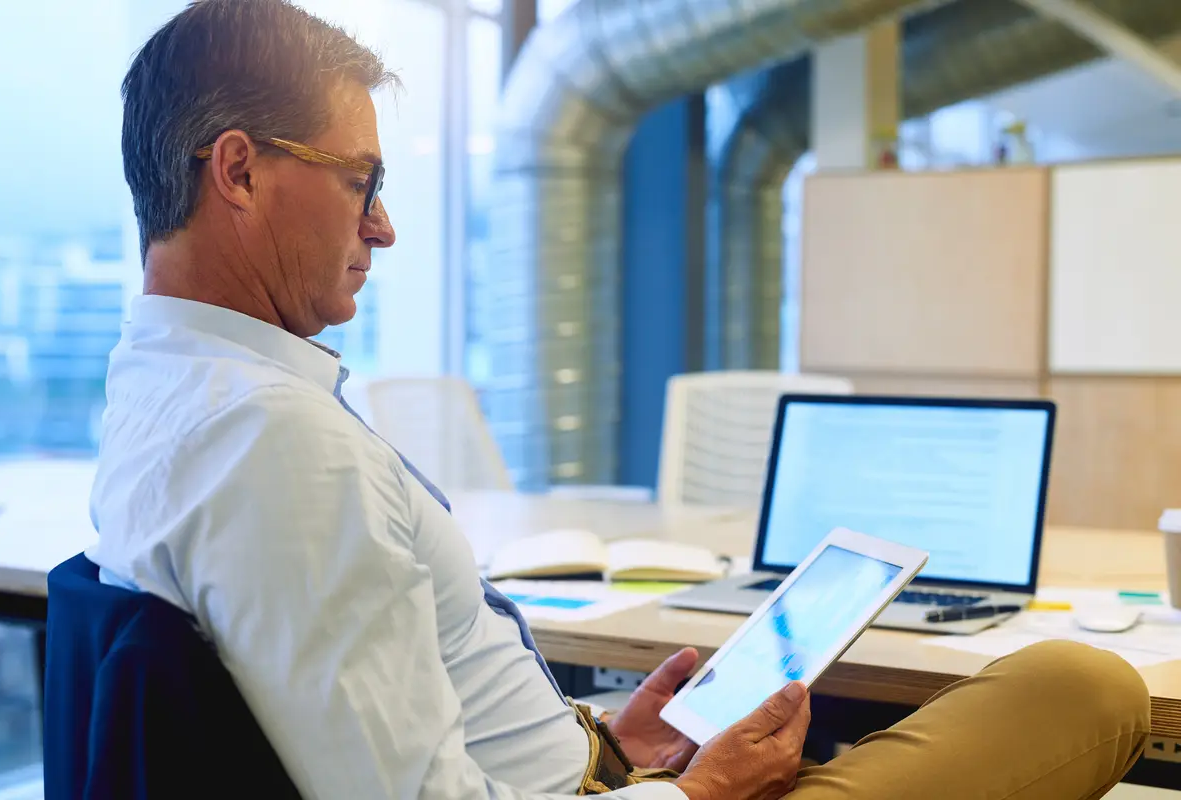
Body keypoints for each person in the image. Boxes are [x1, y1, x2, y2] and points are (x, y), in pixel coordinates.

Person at [88, 1, 1150, 798]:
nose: (384, 225)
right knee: (1084, 687)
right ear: (239, 173)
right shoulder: (279, 446)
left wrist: (606, 744)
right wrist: (697, 791)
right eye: (360, 180)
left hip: (596, 776)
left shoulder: (164, 387)